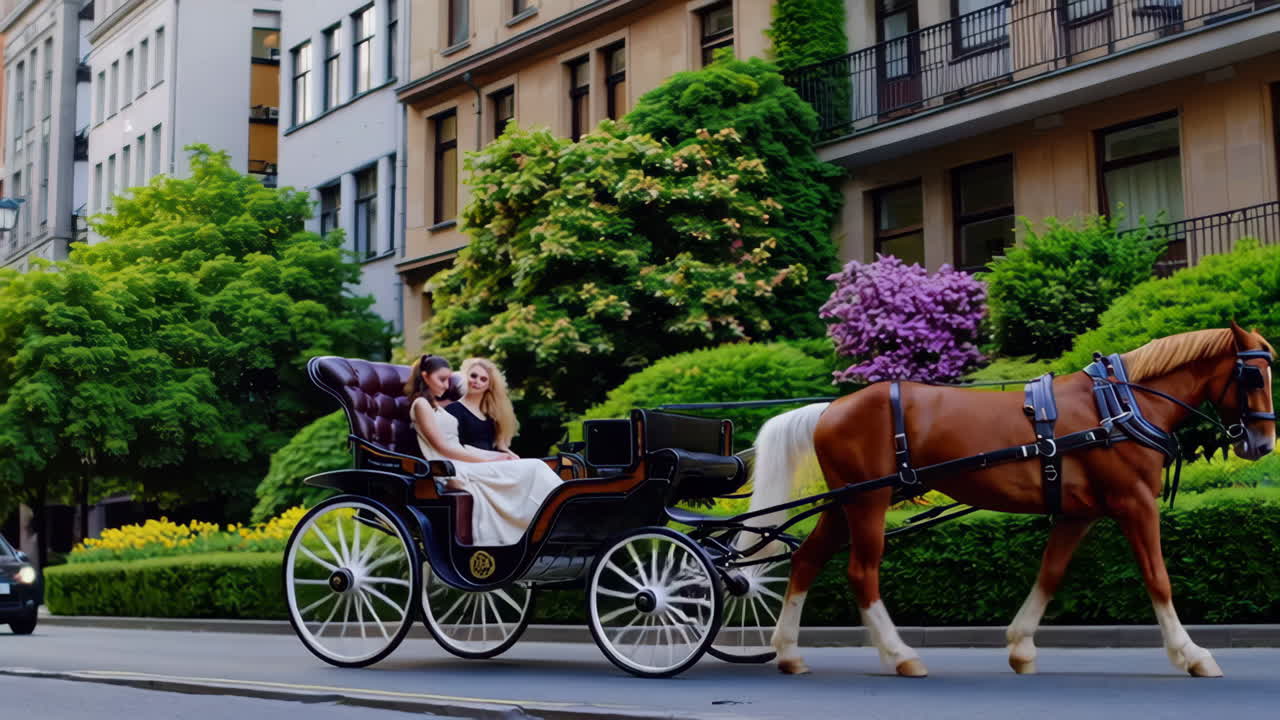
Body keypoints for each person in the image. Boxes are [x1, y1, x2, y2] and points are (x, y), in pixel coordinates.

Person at [405, 354, 562, 546]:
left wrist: (498, 456)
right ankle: (555, 516)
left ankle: (550, 516)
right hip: (449, 467)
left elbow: (457, 446)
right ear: (425, 376)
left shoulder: (435, 406)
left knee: (530, 465)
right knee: (534, 467)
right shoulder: (421, 404)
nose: (447, 386)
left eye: (448, 379)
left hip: (460, 461)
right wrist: (486, 462)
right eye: (442, 379)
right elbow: (442, 447)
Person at [446, 357, 519, 460]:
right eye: (473, 376)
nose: (477, 381)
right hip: (471, 465)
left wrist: (512, 456)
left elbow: (501, 447)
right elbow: (456, 448)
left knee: (535, 465)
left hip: (494, 465)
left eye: (483, 379)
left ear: (489, 385)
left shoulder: (492, 413)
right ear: (465, 376)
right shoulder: (453, 410)